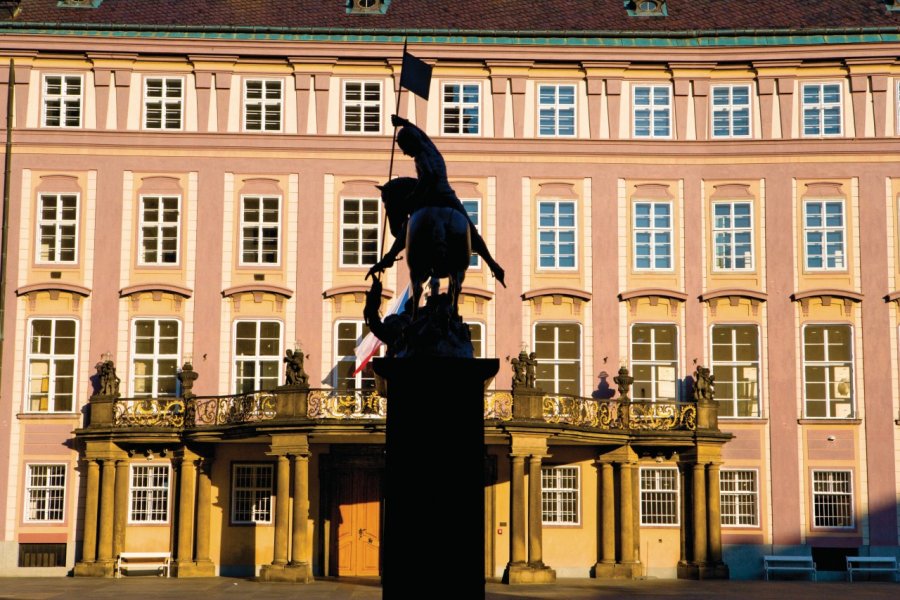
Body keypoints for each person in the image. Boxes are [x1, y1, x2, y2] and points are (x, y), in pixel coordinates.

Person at [367, 114, 506, 287]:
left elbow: (429, 177)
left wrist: (413, 197)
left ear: (411, 143)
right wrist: (404, 123)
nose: (403, 152)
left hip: (434, 195)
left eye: (404, 147)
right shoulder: (428, 147)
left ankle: (388, 258)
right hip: (448, 195)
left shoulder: (421, 156)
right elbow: (421, 133)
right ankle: (493, 264)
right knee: (471, 230)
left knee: (409, 227)